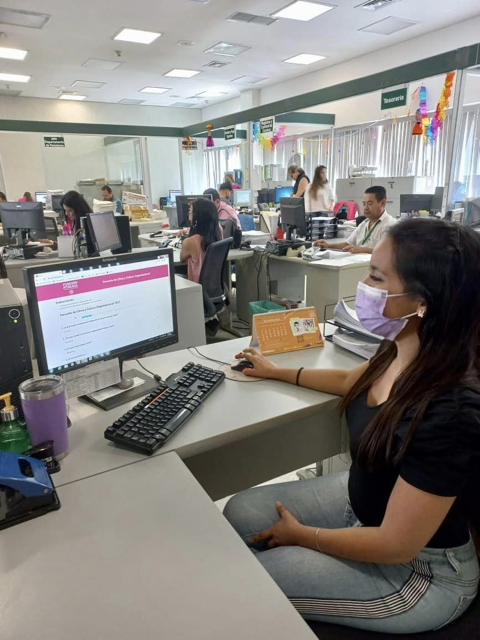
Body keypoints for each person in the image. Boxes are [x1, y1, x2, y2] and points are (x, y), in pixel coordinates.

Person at [224, 218, 480, 634]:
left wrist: (304, 536)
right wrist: (276, 371)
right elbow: (351, 381)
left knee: (252, 580)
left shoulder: (449, 408)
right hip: (365, 513)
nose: (363, 286)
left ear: (422, 301)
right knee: (241, 510)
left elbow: (396, 545)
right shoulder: (403, 344)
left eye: (376, 277)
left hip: (418, 574)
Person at [315, 186, 396, 254]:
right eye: (364, 204)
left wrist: (362, 250)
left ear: (382, 203)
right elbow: (347, 244)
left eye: (370, 204)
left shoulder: (389, 225)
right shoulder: (364, 223)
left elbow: (387, 253)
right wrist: (328, 245)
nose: (365, 208)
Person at [179, 198, 222, 283]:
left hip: (197, 287)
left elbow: (182, 260)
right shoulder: (218, 233)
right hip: (214, 285)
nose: (188, 213)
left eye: (190, 211)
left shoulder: (190, 242)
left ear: (197, 217)